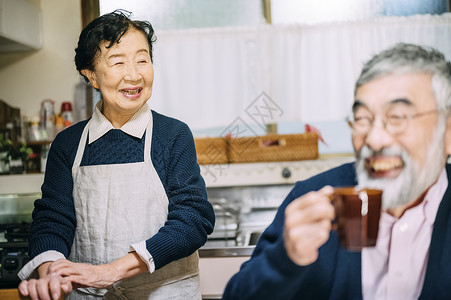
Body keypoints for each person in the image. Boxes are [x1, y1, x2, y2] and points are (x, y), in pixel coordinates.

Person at [223, 43, 451, 299]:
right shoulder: (311, 195)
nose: (374, 140)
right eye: (362, 118)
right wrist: (284, 259)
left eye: (397, 117)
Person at [17, 10, 215, 300]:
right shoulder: (68, 144)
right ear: (91, 76)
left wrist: (111, 271)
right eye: (118, 61)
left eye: (142, 59)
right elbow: (53, 218)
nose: (134, 74)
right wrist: (51, 271)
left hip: (164, 293)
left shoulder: (172, 135)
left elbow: (192, 218)